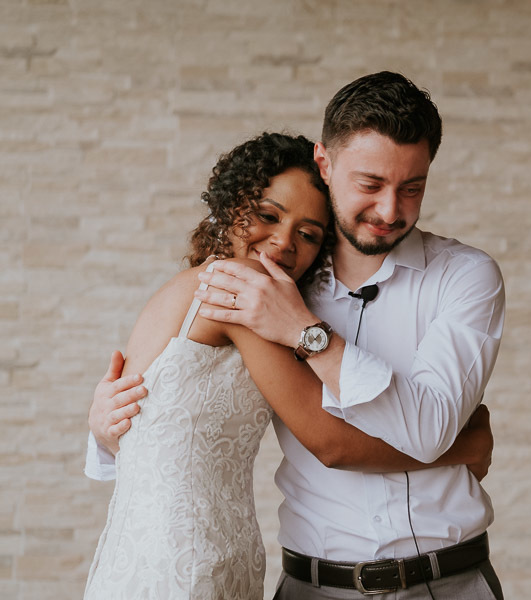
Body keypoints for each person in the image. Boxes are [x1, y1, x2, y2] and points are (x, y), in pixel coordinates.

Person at [89, 71, 506, 599]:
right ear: (325, 165)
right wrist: (103, 427)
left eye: (412, 188)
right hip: (219, 571)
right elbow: (329, 442)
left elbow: (424, 426)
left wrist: (305, 331)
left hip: (441, 581)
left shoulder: (461, 276)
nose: (388, 209)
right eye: (370, 184)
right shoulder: (253, 292)